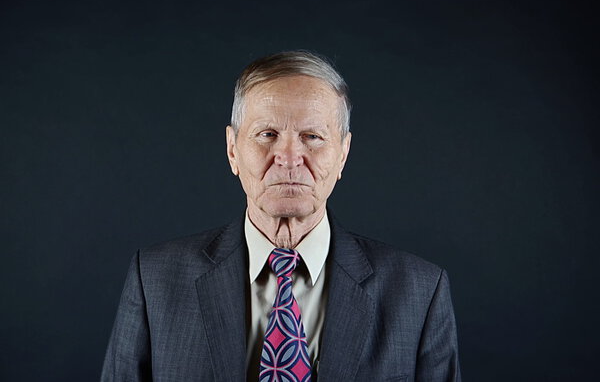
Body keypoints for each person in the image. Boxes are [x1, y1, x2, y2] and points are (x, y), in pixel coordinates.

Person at [101, 51, 461, 382]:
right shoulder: (155, 281)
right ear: (232, 150)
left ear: (343, 155)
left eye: (312, 137)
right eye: (267, 134)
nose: (289, 158)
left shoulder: (419, 292)